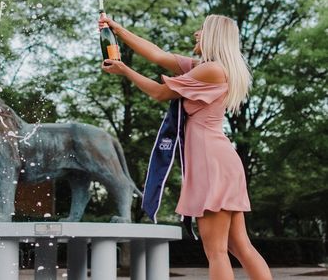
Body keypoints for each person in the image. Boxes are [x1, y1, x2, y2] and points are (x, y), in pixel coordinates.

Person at [98, 14, 272, 280]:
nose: (196, 33)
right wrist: (117, 29)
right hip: (219, 161)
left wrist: (124, 70)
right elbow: (157, 55)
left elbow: (159, 92)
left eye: (202, 30)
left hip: (212, 164)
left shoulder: (210, 70)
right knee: (239, 246)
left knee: (216, 251)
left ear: (214, 36)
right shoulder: (203, 68)